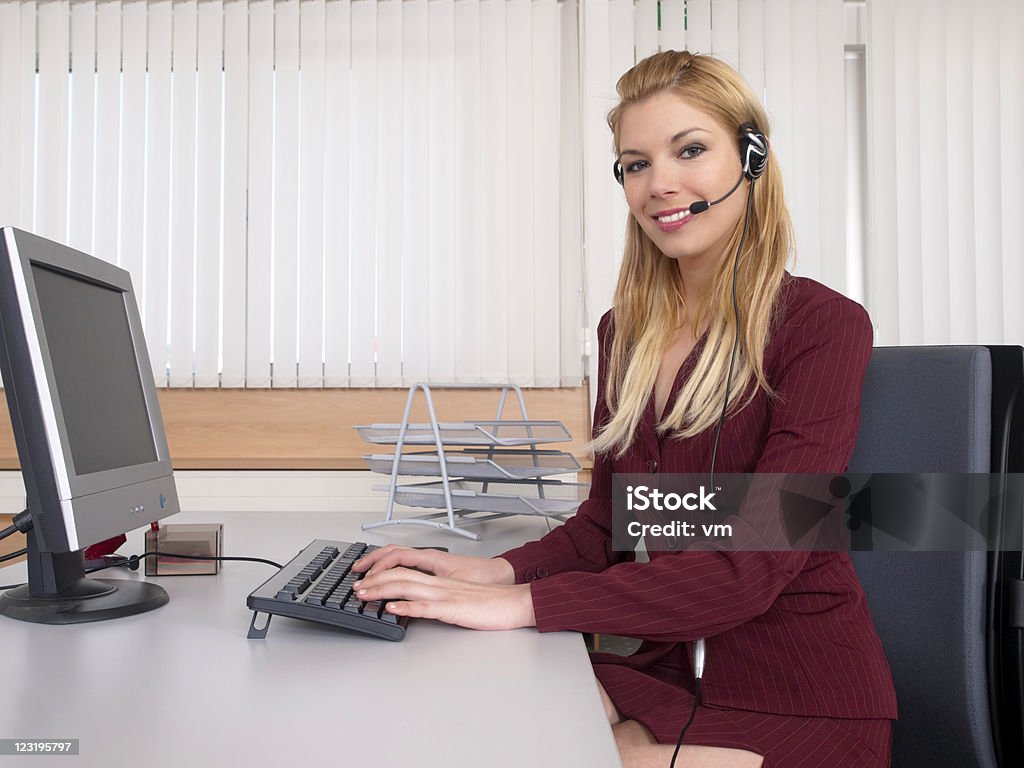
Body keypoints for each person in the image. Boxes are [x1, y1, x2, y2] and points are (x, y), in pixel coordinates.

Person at [352, 50, 897, 768]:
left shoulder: (822, 327)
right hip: (671, 671)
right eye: (634, 164)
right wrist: (494, 574)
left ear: (752, 157)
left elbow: (754, 566)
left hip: (800, 693)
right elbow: (610, 523)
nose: (659, 184)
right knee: (492, 720)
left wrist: (524, 608)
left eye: (690, 150)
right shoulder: (626, 332)